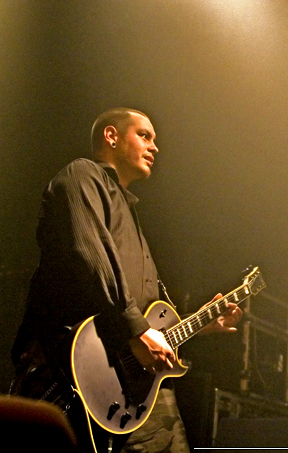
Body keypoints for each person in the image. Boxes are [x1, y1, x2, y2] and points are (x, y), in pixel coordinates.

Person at [10, 108, 243, 453]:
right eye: (144, 136)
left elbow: (150, 317)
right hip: (74, 372)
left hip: (138, 388)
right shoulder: (82, 175)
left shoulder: (130, 213)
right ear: (111, 136)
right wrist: (135, 328)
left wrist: (200, 323)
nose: (155, 147)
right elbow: (92, 256)